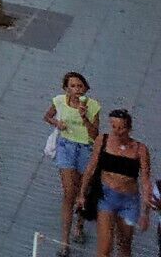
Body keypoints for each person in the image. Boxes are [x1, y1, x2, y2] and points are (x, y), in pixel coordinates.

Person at [47, 71, 103, 249]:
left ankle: (79, 224)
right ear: (66, 89)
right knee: (69, 192)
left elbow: (95, 135)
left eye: (80, 86)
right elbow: (47, 116)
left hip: (85, 148)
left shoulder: (93, 106)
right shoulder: (59, 101)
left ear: (85, 88)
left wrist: (84, 116)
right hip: (66, 146)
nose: (77, 89)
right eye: (73, 86)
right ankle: (64, 240)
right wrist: (57, 123)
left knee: (82, 190)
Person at [89, 108, 149, 257]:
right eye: (114, 127)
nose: (117, 132)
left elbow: (145, 181)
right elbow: (91, 167)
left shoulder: (140, 149)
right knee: (104, 247)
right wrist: (82, 194)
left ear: (129, 128)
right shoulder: (103, 140)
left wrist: (145, 213)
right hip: (107, 197)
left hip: (129, 201)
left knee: (124, 245)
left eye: (121, 128)